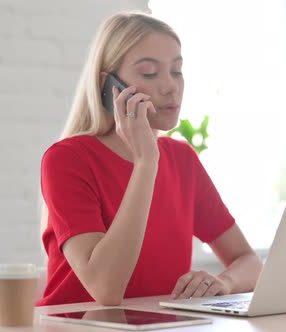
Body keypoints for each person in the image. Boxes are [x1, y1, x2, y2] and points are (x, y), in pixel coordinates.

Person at [37, 12, 263, 306]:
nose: (171, 86)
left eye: (177, 71)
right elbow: (106, 289)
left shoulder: (182, 159)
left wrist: (224, 282)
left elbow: (248, 261)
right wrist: (146, 163)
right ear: (110, 86)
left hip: (160, 324)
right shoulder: (67, 160)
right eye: (149, 73)